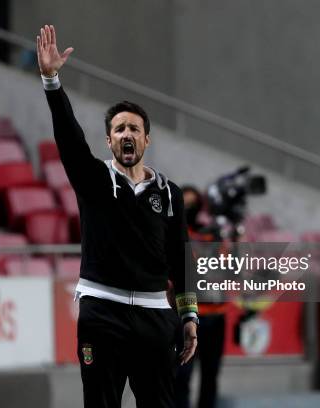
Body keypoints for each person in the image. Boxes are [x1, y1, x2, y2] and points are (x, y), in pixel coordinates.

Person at [36, 24, 198, 408]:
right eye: (119, 128)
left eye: (135, 129)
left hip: (156, 318)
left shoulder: (169, 194)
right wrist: (51, 81)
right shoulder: (93, 179)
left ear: (147, 139)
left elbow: (182, 257)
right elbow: (69, 137)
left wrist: (189, 316)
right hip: (101, 312)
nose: (128, 134)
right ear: (109, 140)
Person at [175, 186, 226, 408]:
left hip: (217, 316)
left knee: (211, 376)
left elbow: (230, 270)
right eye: (185, 203)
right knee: (182, 376)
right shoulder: (174, 233)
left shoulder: (212, 236)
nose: (190, 209)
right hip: (188, 316)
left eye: (194, 204)